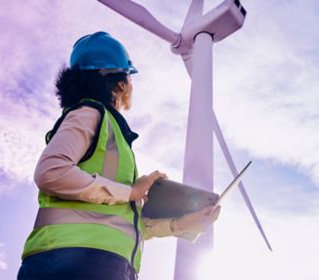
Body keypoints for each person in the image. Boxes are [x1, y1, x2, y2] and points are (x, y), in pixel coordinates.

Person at [17, 31, 221, 280]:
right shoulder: (90, 114)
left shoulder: (112, 135)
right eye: (130, 79)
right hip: (77, 262)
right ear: (121, 84)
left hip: (98, 262)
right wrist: (131, 192)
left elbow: (115, 223)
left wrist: (179, 225)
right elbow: (51, 172)